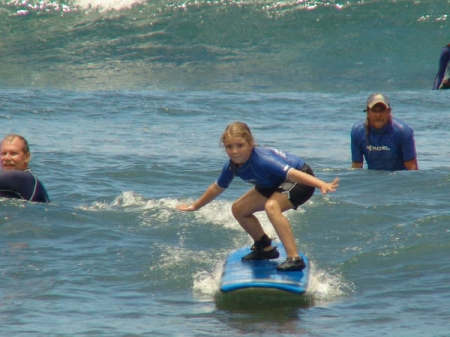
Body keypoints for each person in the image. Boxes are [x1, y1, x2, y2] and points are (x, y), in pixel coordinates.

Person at [176, 122, 339, 271]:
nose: (234, 151)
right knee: (239, 209)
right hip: (272, 184)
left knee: (272, 207)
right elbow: (217, 187)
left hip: (300, 180)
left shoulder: (262, 159)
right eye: (229, 147)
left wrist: (320, 184)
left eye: (240, 145)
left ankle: (294, 258)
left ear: (250, 144)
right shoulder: (232, 166)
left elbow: (293, 173)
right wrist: (196, 206)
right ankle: (265, 248)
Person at [351, 93, 418, 171]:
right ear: (368, 112)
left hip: (397, 179)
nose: (378, 115)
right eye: (374, 111)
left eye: (382, 110)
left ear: (389, 111)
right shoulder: (358, 132)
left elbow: (412, 169)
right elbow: (356, 167)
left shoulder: (402, 132)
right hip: (374, 180)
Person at [0, 134, 50, 203]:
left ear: (27, 157)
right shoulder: (6, 186)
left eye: (13, 153)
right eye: (3, 153)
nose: (7, 158)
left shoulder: (27, 180)